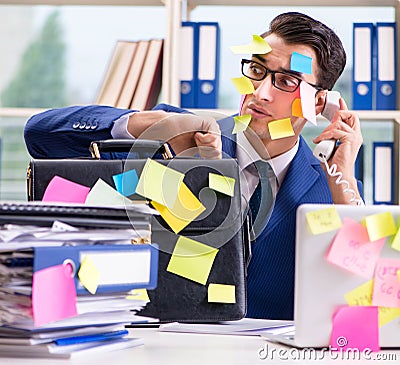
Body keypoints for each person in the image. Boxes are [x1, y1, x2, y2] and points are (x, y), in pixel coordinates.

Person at [24, 12, 363, 320]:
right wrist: (148, 124)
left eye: (286, 81)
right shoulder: (181, 138)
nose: (260, 93)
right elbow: (40, 135)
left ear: (319, 102)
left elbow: (367, 300)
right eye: (257, 71)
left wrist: (344, 184)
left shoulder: (330, 185)